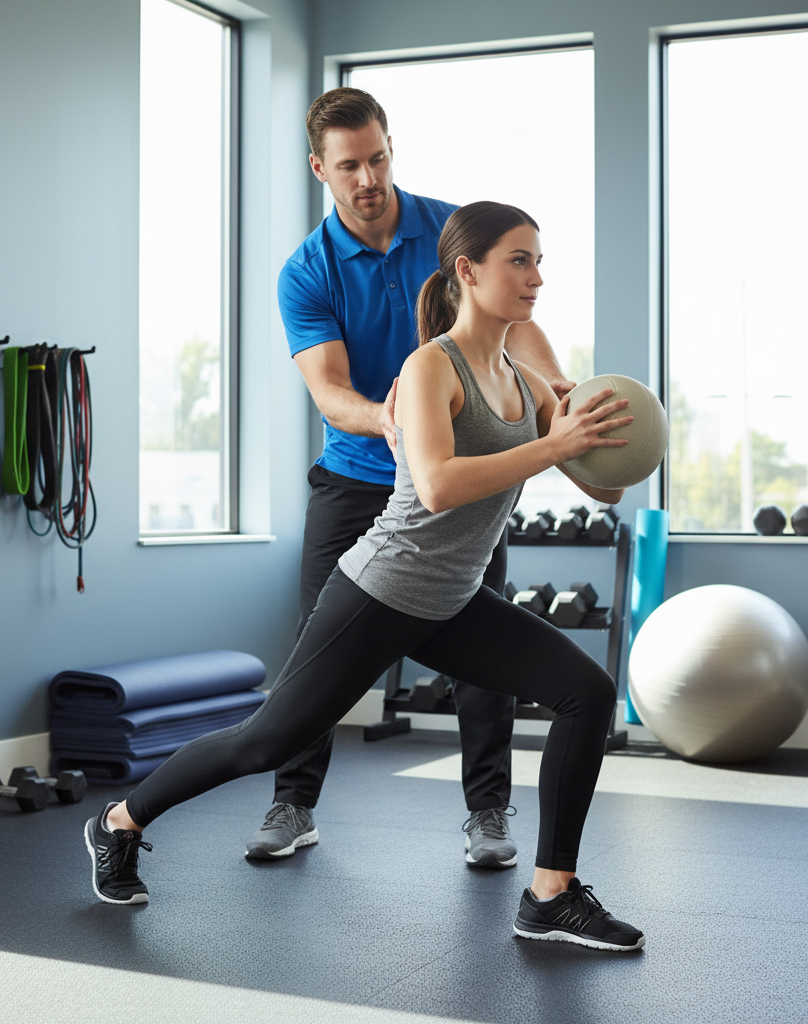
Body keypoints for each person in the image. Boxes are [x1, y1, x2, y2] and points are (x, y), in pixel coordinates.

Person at [84, 201, 646, 952]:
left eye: (540, 260)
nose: (537, 276)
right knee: (265, 743)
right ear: (468, 270)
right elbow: (439, 484)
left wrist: (613, 436)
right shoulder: (428, 369)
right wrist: (553, 447)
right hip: (380, 592)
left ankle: (552, 894)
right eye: (520, 259)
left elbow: (602, 489)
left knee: (588, 692)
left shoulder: (527, 382)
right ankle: (118, 823)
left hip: (451, 600)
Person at [254, 86, 578, 868]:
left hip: (460, 475)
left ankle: (488, 813)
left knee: (485, 643)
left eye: (378, 158)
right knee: (313, 646)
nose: (368, 179)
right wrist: (395, 424)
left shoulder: (450, 229)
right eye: (349, 167)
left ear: (390, 149)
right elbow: (329, 391)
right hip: (360, 473)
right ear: (318, 170)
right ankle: (293, 802)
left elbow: (517, 326)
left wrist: (558, 396)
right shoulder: (308, 271)